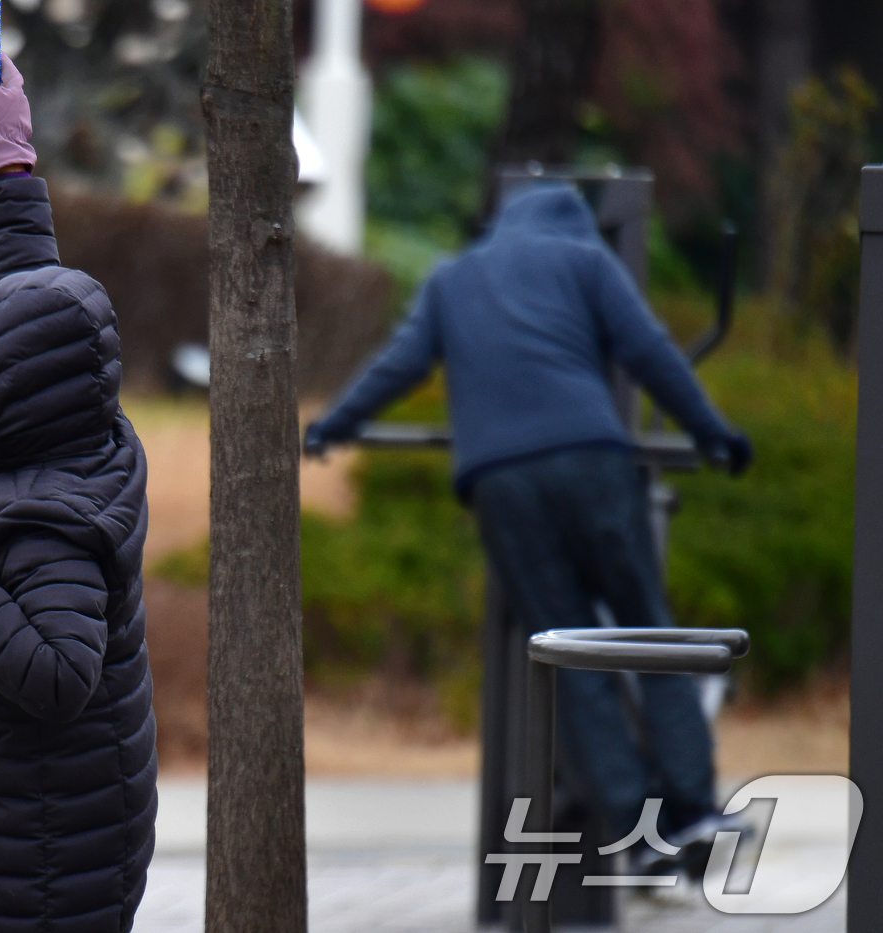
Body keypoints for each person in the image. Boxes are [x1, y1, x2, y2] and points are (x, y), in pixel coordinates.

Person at [303, 183, 752, 872]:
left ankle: (637, 833)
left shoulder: (453, 276)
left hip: (500, 481)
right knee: (649, 633)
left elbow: (400, 362)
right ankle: (691, 808)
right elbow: (649, 350)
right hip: (590, 460)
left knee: (570, 650)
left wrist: (334, 423)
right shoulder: (586, 259)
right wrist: (711, 431)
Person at [0, 56, 156, 932]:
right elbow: (30, 304)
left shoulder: (50, 523)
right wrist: (10, 161)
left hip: (46, 862)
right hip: (38, 822)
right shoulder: (77, 431)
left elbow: (59, 675)